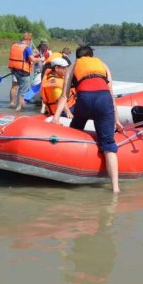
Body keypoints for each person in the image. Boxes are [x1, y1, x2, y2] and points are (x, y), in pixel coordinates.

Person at [51, 46, 123, 194]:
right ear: (92, 56)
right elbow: (111, 95)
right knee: (109, 144)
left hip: (84, 100)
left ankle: (68, 170)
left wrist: (56, 118)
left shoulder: (74, 65)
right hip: (104, 100)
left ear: (78, 57)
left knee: (75, 131)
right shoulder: (103, 65)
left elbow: (64, 96)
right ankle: (115, 188)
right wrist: (116, 120)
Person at [8, 32, 43, 111]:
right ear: (28, 40)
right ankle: (19, 108)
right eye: (30, 41)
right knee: (22, 90)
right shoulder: (27, 47)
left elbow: (23, 56)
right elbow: (32, 60)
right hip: (23, 72)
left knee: (14, 86)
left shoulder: (14, 45)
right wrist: (41, 59)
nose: (30, 43)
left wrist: (33, 54)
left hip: (14, 70)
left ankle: (12, 103)